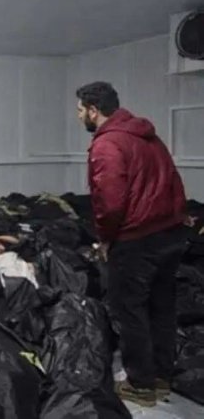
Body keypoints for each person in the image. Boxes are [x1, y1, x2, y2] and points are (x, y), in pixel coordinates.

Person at [76, 81, 188, 407]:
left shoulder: (107, 144)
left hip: (136, 240)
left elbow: (109, 203)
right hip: (170, 234)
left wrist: (105, 239)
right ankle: (162, 377)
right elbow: (174, 181)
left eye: (81, 110)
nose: (79, 116)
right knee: (161, 306)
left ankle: (141, 385)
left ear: (94, 110)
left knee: (129, 309)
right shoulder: (147, 136)